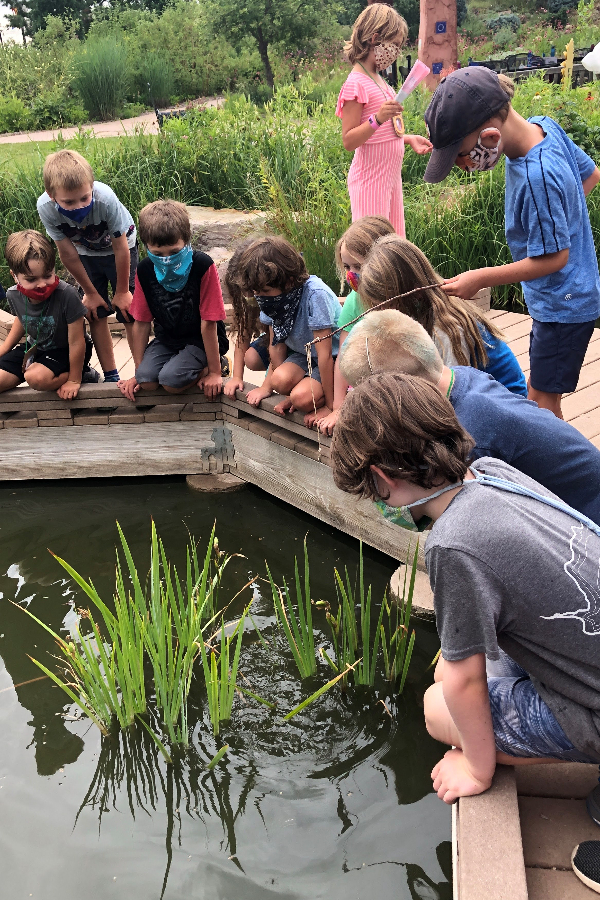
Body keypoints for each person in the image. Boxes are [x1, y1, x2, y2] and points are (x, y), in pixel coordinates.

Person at [331, 372, 600, 806]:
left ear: (383, 478)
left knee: (439, 708)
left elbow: (464, 679)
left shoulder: (452, 544)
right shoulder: (490, 471)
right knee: (444, 673)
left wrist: (477, 767)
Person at [423, 68, 600, 419]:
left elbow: (555, 258)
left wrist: (481, 278)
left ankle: (556, 471)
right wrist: (559, 219)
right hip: (559, 298)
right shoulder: (543, 126)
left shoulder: (538, 176)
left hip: (564, 304)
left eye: (459, 155)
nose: (461, 166)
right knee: (539, 392)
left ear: (489, 137)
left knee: (543, 407)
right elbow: (590, 173)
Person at [338, 309, 600, 525]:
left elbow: (486, 524)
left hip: (585, 526)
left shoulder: (471, 439)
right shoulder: (460, 376)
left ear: (397, 391)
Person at [358, 234, 527, 396]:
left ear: (410, 293)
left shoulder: (445, 331)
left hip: (504, 405)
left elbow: (455, 395)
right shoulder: (421, 315)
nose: (378, 313)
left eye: (382, 305)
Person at [37, 149, 138, 383]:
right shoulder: (45, 207)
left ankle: (141, 372)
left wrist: (122, 291)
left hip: (121, 248)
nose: (78, 206)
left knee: (128, 310)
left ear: (92, 187)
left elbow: (121, 246)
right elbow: (67, 253)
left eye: (84, 198)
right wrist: (91, 293)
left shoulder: (105, 198)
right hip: (85, 252)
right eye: (68, 202)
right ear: (52, 195)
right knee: (95, 311)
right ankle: (111, 375)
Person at [336, 3, 432, 236]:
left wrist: (407, 139)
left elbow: (383, 132)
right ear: (375, 39)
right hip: (370, 182)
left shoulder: (378, 79)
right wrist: (377, 119)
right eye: (395, 45)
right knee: (372, 252)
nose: (396, 52)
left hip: (390, 179)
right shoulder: (356, 83)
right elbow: (349, 141)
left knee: (394, 248)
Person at [117, 200, 227, 402]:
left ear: (186, 240)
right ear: (146, 247)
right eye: (158, 254)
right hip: (167, 338)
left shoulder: (202, 266)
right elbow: (141, 322)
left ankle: (215, 364)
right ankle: (178, 365)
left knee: (171, 382)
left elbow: (209, 323)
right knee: (147, 381)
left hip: (201, 341)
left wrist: (214, 372)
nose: (166, 259)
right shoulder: (144, 270)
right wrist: (137, 371)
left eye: (174, 252)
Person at [234, 236, 342, 420]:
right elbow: (275, 345)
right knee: (279, 381)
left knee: (302, 399)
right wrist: (267, 388)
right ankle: (303, 390)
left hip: (332, 355)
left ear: (289, 282)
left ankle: (325, 397)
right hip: (303, 354)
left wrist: (331, 407)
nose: (260, 297)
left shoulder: (315, 295)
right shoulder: (272, 300)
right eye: (256, 293)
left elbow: (324, 355)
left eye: (265, 291)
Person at [310, 215, 396, 435]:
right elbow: (344, 359)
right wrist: (337, 407)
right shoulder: (353, 302)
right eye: (347, 266)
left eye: (358, 266)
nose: (351, 274)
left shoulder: (403, 298)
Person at [0, 230, 92, 399]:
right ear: (15, 276)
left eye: (48, 275)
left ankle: (85, 374)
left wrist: (74, 379)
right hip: (36, 346)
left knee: (35, 378)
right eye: (31, 279)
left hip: (66, 350)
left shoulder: (66, 294)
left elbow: (77, 341)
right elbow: (22, 319)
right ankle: (38, 367)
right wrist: (5, 348)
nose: (42, 284)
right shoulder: (13, 294)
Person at [223, 237, 273, 398]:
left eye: (249, 289)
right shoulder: (250, 298)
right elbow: (243, 333)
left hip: (294, 345)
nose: (247, 295)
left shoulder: (274, 294)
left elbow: (278, 344)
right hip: (275, 343)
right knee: (251, 357)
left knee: (282, 379)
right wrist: (237, 377)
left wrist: (267, 386)